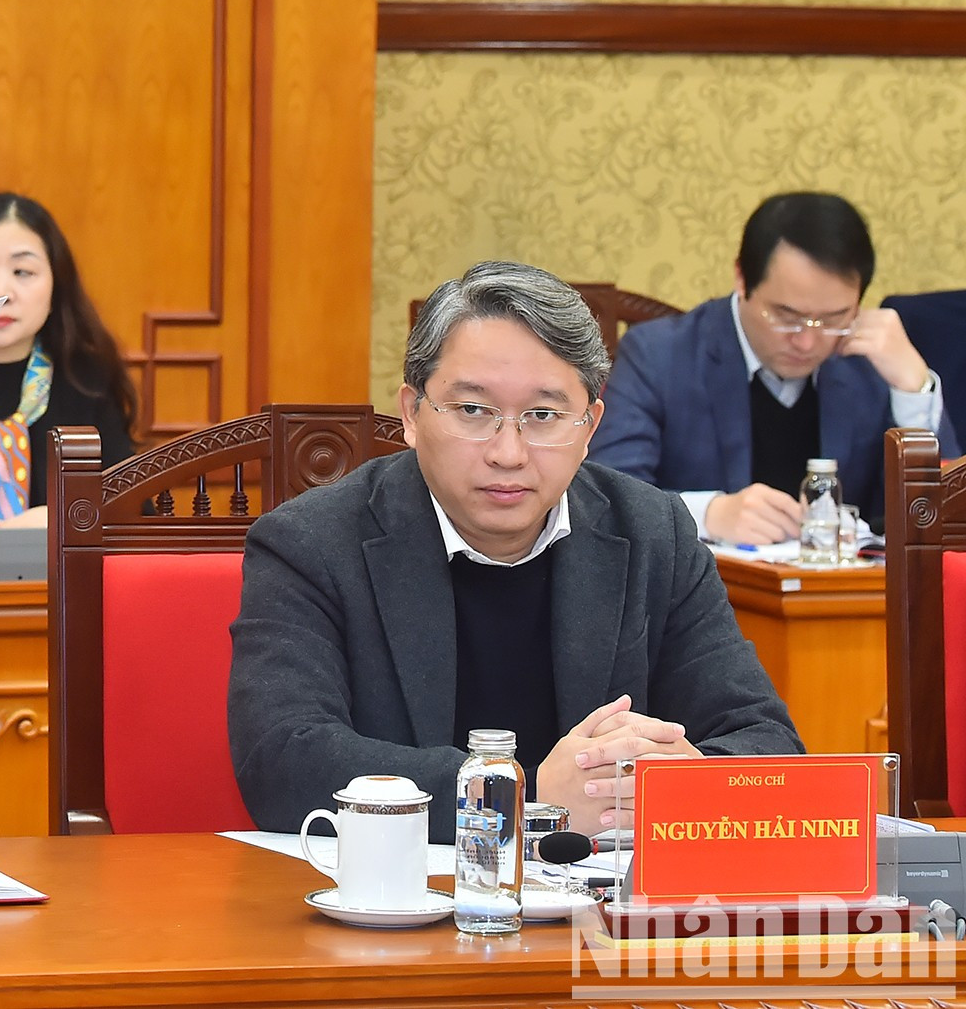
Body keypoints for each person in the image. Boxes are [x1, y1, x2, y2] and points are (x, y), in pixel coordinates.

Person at [228, 261, 800, 841]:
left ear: (590, 426)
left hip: (594, 914)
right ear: (411, 413)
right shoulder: (311, 543)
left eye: (544, 416)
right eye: (474, 410)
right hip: (397, 907)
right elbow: (283, 761)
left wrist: (682, 779)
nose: (508, 452)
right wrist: (523, 798)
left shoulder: (654, 533)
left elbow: (767, 743)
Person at [590, 192, 959, 542]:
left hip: (844, 596)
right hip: (704, 595)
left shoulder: (869, 361)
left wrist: (914, 388)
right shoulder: (661, 354)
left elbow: (938, 514)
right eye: (786, 316)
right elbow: (606, 494)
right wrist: (709, 514)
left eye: (833, 318)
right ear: (741, 278)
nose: (807, 342)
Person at [0, 192, 137, 535]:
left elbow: (133, 508)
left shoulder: (87, 380)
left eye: (23, 271)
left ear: (56, 287)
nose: (0, 291)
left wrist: (68, 520)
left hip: (56, 583)